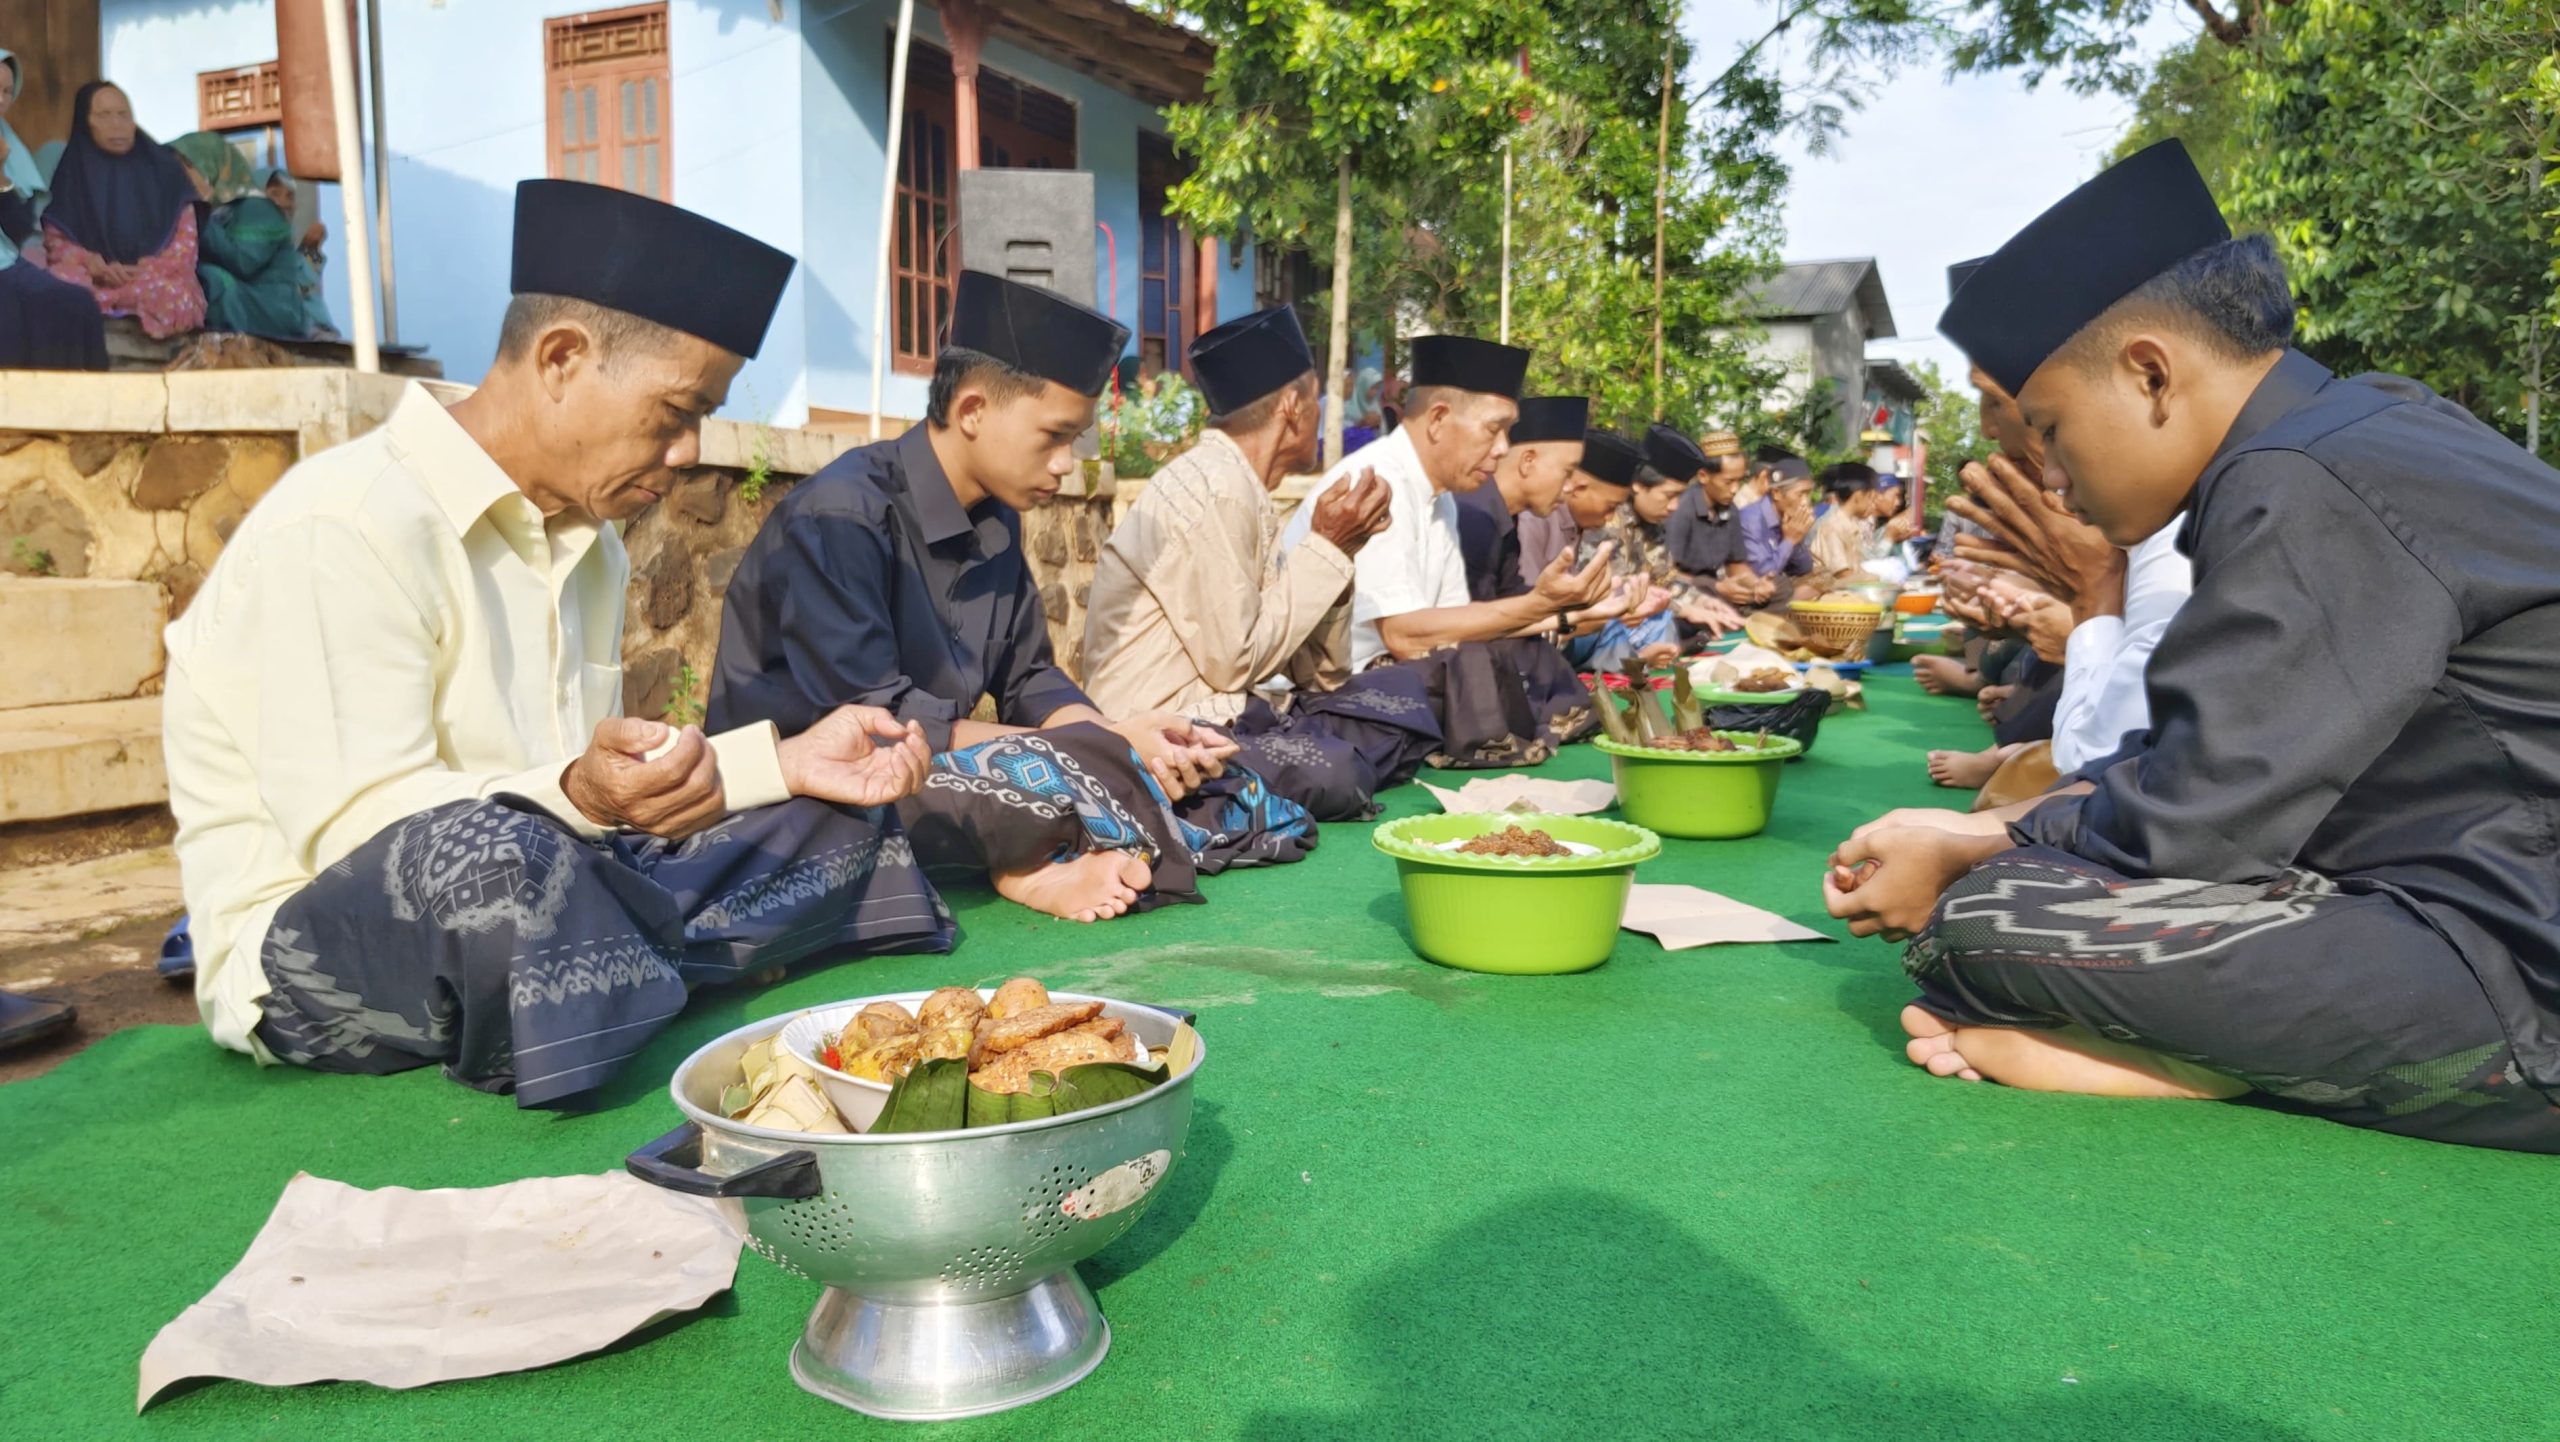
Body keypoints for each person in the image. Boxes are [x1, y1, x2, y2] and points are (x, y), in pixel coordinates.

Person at [1826, 139, 2560, 1152]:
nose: (2046, 475)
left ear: (2149, 373)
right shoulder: (2355, 428)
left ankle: (2213, 1066)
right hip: (2467, 896)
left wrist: (1968, 856)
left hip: (2520, 959)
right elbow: (2207, 763)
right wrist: (1992, 828)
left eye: (2048, 427)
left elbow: (2196, 824)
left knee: (1991, 920)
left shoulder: (2305, 476)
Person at [161, 181, 954, 1107]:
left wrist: (782, 762)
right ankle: (641, 969)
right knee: (509, 866)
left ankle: (618, 978)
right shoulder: (346, 522)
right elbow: (364, 833)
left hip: (557, 886)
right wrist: (581, 796)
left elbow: (596, 803)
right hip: (320, 948)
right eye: (674, 412)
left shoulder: (589, 541)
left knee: (828, 817)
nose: (690, 449)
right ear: (563, 358)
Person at [711, 271, 1310, 924]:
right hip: (823, 797)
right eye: (1053, 437)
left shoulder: (996, 517)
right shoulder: (839, 517)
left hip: (947, 771)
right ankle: (1026, 861)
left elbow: (1029, 677)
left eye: (1074, 440)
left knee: (1202, 774)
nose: (1065, 463)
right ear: (972, 411)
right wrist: (1091, 752)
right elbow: (882, 729)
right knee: (1046, 779)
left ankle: (1029, 845)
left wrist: (1118, 736)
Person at [1277, 334, 1617, 667]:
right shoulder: (1378, 482)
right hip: (1316, 701)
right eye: (1493, 429)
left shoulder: (1442, 499)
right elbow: (1403, 638)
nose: (1502, 448)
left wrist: (1561, 612)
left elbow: (1452, 627)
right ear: (1438, 419)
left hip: (1391, 691)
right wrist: (1540, 605)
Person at [40, 81, 206, 339]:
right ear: (86, 121)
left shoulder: (166, 171)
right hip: (95, 278)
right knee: (62, 283)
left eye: (123, 115)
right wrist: (92, 264)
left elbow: (185, 244)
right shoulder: (72, 172)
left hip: (154, 279)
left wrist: (144, 270)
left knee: (170, 295)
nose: (116, 124)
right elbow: (56, 240)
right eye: (104, 115)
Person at [0, 48, 106, 370]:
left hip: (5, 262)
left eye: (6, 92)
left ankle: (85, 410)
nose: (1, 100)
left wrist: (1, 176)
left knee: (76, 304)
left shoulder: (10, 149)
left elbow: (18, 231)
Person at [169, 132, 321, 340]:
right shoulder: (217, 210)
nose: (177, 175)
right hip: (246, 306)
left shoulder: (259, 209)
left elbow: (243, 261)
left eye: (185, 166)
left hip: (274, 311)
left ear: (207, 166)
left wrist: (199, 214)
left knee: (210, 278)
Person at [1455, 395, 1587, 602]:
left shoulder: (1506, 518)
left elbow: (1510, 601)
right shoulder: (1474, 517)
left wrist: (1579, 608)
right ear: (1528, 461)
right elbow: (1476, 626)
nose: (1570, 487)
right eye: (1567, 472)